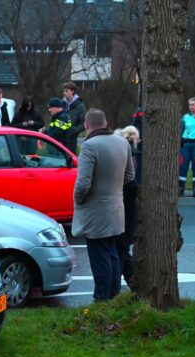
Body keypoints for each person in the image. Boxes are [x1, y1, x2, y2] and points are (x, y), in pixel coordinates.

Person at [71, 109, 134, 301]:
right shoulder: (122, 142)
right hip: (117, 210)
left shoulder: (89, 146)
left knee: (99, 258)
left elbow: (83, 183)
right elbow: (130, 176)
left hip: (95, 213)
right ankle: (114, 295)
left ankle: (101, 298)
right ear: (105, 123)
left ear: (86, 125)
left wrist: (78, 199)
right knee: (112, 254)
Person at [114, 125, 141, 290]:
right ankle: (134, 285)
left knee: (120, 251)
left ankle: (117, 287)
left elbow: (130, 185)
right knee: (122, 251)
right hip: (129, 211)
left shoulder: (126, 158)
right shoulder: (134, 155)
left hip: (124, 212)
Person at [62, 81, 86, 154]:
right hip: (59, 139)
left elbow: (83, 124)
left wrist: (73, 131)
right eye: (64, 91)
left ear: (72, 91)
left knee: (69, 158)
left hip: (71, 141)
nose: (64, 93)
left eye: (66, 91)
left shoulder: (80, 106)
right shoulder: (61, 104)